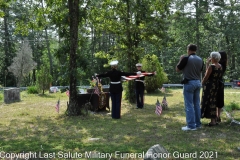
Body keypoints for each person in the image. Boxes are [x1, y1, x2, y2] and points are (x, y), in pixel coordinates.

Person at [176, 44, 203, 131]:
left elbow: (177, 69)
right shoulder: (200, 59)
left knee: (189, 105)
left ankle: (191, 125)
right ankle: (198, 124)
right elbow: (200, 70)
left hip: (189, 83)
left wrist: (180, 60)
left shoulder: (186, 59)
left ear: (188, 50)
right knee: (197, 104)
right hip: (198, 82)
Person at [201, 52, 223, 126]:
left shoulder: (212, 66)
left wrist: (202, 83)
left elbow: (206, 76)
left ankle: (212, 121)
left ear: (213, 58)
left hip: (210, 86)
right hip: (216, 86)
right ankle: (215, 119)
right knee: (214, 101)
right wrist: (207, 64)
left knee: (209, 101)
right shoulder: (220, 66)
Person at [216, 51, 227, 123]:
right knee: (219, 100)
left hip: (217, 83)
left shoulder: (219, 65)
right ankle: (218, 116)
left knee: (216, 100)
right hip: (220, 83)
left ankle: (217, 117)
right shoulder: (224, 65)